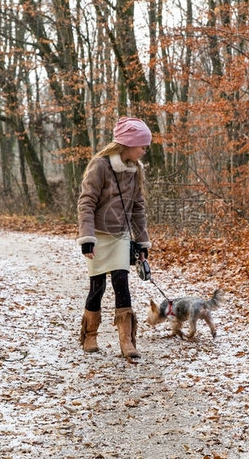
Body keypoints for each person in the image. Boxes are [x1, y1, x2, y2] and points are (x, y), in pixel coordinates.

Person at [76, 117, 152, 358]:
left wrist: (141, 241)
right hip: (97, 236)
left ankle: (127, 341)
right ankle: (89, 335)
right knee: (97, 286)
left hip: (120, 236)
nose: (144, 150)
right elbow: (86, 202)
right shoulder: (100, 166)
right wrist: (87, 237)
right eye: (142, 145)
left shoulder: (135, 170)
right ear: (127, 144)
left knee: (122, 282)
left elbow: (138, 208)